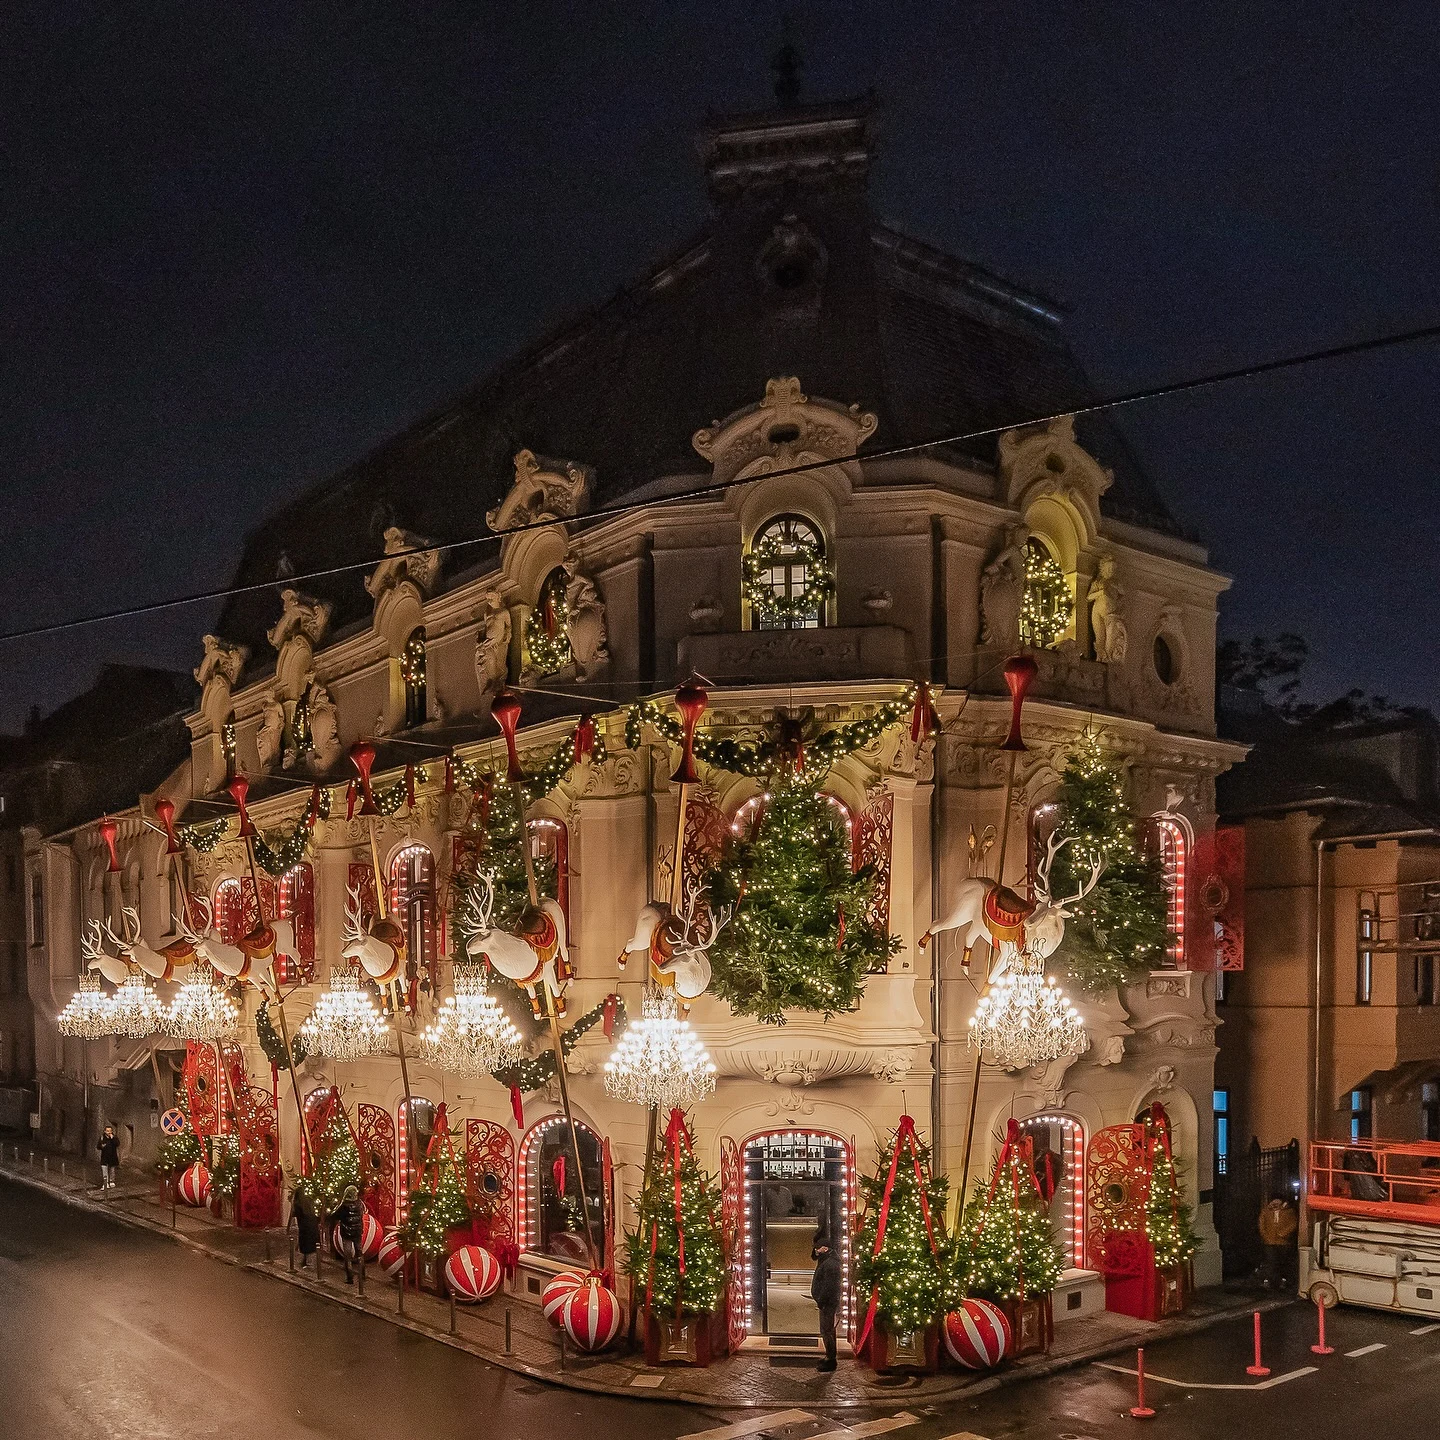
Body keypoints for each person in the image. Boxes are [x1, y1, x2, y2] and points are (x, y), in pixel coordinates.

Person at [810, 1232, 841, 1373]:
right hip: (826, 1302)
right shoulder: (827, 1261)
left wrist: (821, 1300)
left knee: (826, 1330)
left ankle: (831, 1359)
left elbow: (829, 1286)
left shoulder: (830, 1264)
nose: (816, 1250)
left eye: (818, 1248)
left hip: (827, 1303)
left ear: (825, 1248)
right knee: (828, 1330)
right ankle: (829, 1356)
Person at [1258, 1194, 1298, 1288]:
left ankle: (1283, 1280)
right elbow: (1261, 1225)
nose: (1275, 1204)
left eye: (1277, 1202)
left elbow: (1293, 1224)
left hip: (1284, 1242)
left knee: (1283, 1261)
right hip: (1270, 1242)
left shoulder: (1289, 1211)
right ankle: (1269, 1280)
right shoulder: (1265, 1212)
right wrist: (1266, 1237)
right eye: (1273, 1202)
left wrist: (1284, 1233)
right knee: (1271, 1261)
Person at [334, 1185, 365, 1284]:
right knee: (359, 1252)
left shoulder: (344, 1206)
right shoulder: (359, 1204)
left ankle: (350, 1277)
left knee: (348, 1255)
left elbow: (335, 1215)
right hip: (357, 1231)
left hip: (346, 1232)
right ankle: (362, 1273)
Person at [292, 1187, 320, 1270]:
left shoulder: (298, 1204)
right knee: (310, 1245)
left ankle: (309, 1265)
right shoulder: (309, 1201)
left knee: (306, 1244)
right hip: (312, 1225)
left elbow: (295, 1214)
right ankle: (306, 1262)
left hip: (304, 1227)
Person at [96, 1126, 120, 1191]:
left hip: (112, 1157)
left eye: (110, 1131)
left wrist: (112, 1139)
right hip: (104, 1157)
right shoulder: (102, 1138)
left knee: (112, 1170)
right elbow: (98, 1146)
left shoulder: (114, 1137)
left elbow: (117, 1144)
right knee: (104, 1170)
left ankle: (111, 1181)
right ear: (105, 1131)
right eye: (107, 1131)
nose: (109, 1132)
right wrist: (102, 1146)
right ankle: (105, 1183)